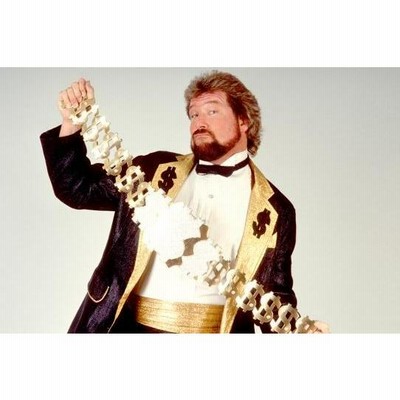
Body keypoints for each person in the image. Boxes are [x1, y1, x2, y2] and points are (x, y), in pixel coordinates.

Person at [40, 71, 328, 333]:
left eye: (212, 111)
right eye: (193, 114)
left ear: (244, 121)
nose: (199, 122)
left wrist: (301, 331)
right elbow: (78, 189)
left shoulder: (276, 210)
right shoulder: (152, 171)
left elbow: (273, 298)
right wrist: (72, 124)